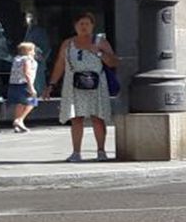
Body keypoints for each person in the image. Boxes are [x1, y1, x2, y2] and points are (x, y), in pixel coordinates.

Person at [48, 13, 114, 161]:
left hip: (96, 84)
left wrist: (98, 51)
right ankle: (76, 152)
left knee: (98, 117)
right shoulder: (68, 43)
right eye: (81, 24)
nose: (84, 27)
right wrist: (52, 84)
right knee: (76, 118)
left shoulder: (100, 42)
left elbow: (113, 62)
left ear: (92, 26)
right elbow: (60, 64)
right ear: (75, 26)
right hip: (74, 84)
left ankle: (101, 151)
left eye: (87, 24)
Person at [8, 42, 39, 132]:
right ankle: (20, 120)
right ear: (29, 51)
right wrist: (31, 87)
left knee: (20, 104)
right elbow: (27, 72)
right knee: (33, 101)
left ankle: (17, 126)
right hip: (25, 84)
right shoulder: (28, 59)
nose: (34, 52)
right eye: (33, 49)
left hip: (14, 84)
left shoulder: (17, 59)